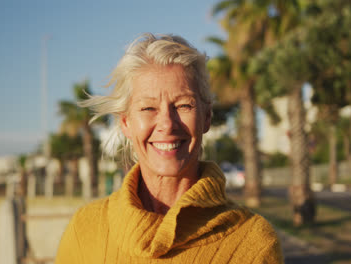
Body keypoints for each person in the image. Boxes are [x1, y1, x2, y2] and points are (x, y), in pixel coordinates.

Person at [55, 33, 283, 263]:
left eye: (184, 105)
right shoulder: (84, 232)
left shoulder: (253, 244)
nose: (167, 124)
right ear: (125, 122)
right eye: (148, 108)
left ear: (206, 117)